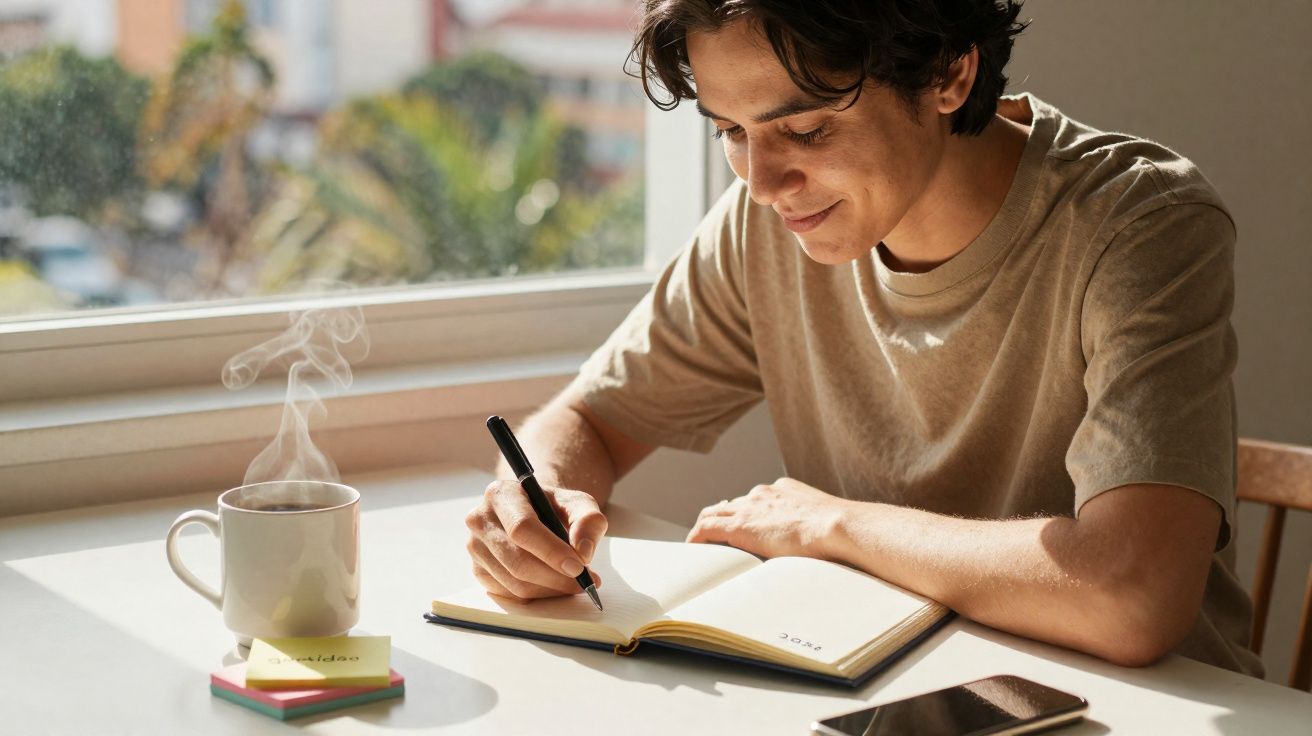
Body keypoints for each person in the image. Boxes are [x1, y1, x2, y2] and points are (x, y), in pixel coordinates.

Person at [462, 0, 1262, 676]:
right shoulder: (770, 222)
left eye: (807, 129)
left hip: (1143, 707)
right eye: (729, 131)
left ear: (949, 74)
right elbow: (591, 418)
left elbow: (1132, 597)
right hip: (894, 685)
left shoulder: (1139, 224)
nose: (762, 184)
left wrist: (828, 526)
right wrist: (535, 504)